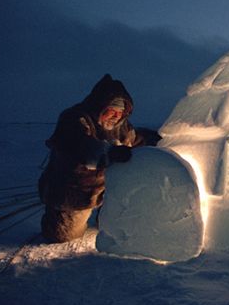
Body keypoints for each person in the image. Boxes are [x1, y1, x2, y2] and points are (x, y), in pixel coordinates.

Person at [38, 74, 161, 243]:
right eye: (112, 110)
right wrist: (110, 152)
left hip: (107, 189)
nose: (116, 116)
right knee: (62, 236)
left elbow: (136, 139)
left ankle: (105, 216)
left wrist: (159, 139)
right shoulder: (75, 119)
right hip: (74, 190)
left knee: (116, 225)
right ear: (100, 106)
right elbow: (79, 146)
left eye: (120, 112)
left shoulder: (122, 126)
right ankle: (57, 218)